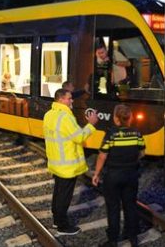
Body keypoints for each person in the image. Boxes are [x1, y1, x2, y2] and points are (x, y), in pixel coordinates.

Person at [43, 88, 98, 235]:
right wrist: (91, 124)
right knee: (64, 196)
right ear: (61, 100)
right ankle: (62, 226)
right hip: (67, 165)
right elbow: (79, 137)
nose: (71, 100)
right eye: (69, 98)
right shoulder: (66, 117)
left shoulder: (49, 115)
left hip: (56, 163)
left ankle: (56, 220)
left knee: (58, 193)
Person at [92, 104, 145, 247]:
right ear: (130, 118)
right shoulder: (136, 133)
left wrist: (96, 173)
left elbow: (102, 155)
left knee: (113, 208)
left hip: (113, 175)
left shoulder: (111, 133)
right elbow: (141, 152)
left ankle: (113, 240)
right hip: (131, 174)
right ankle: (132, 237)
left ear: (116, 118)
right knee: (130, 206)